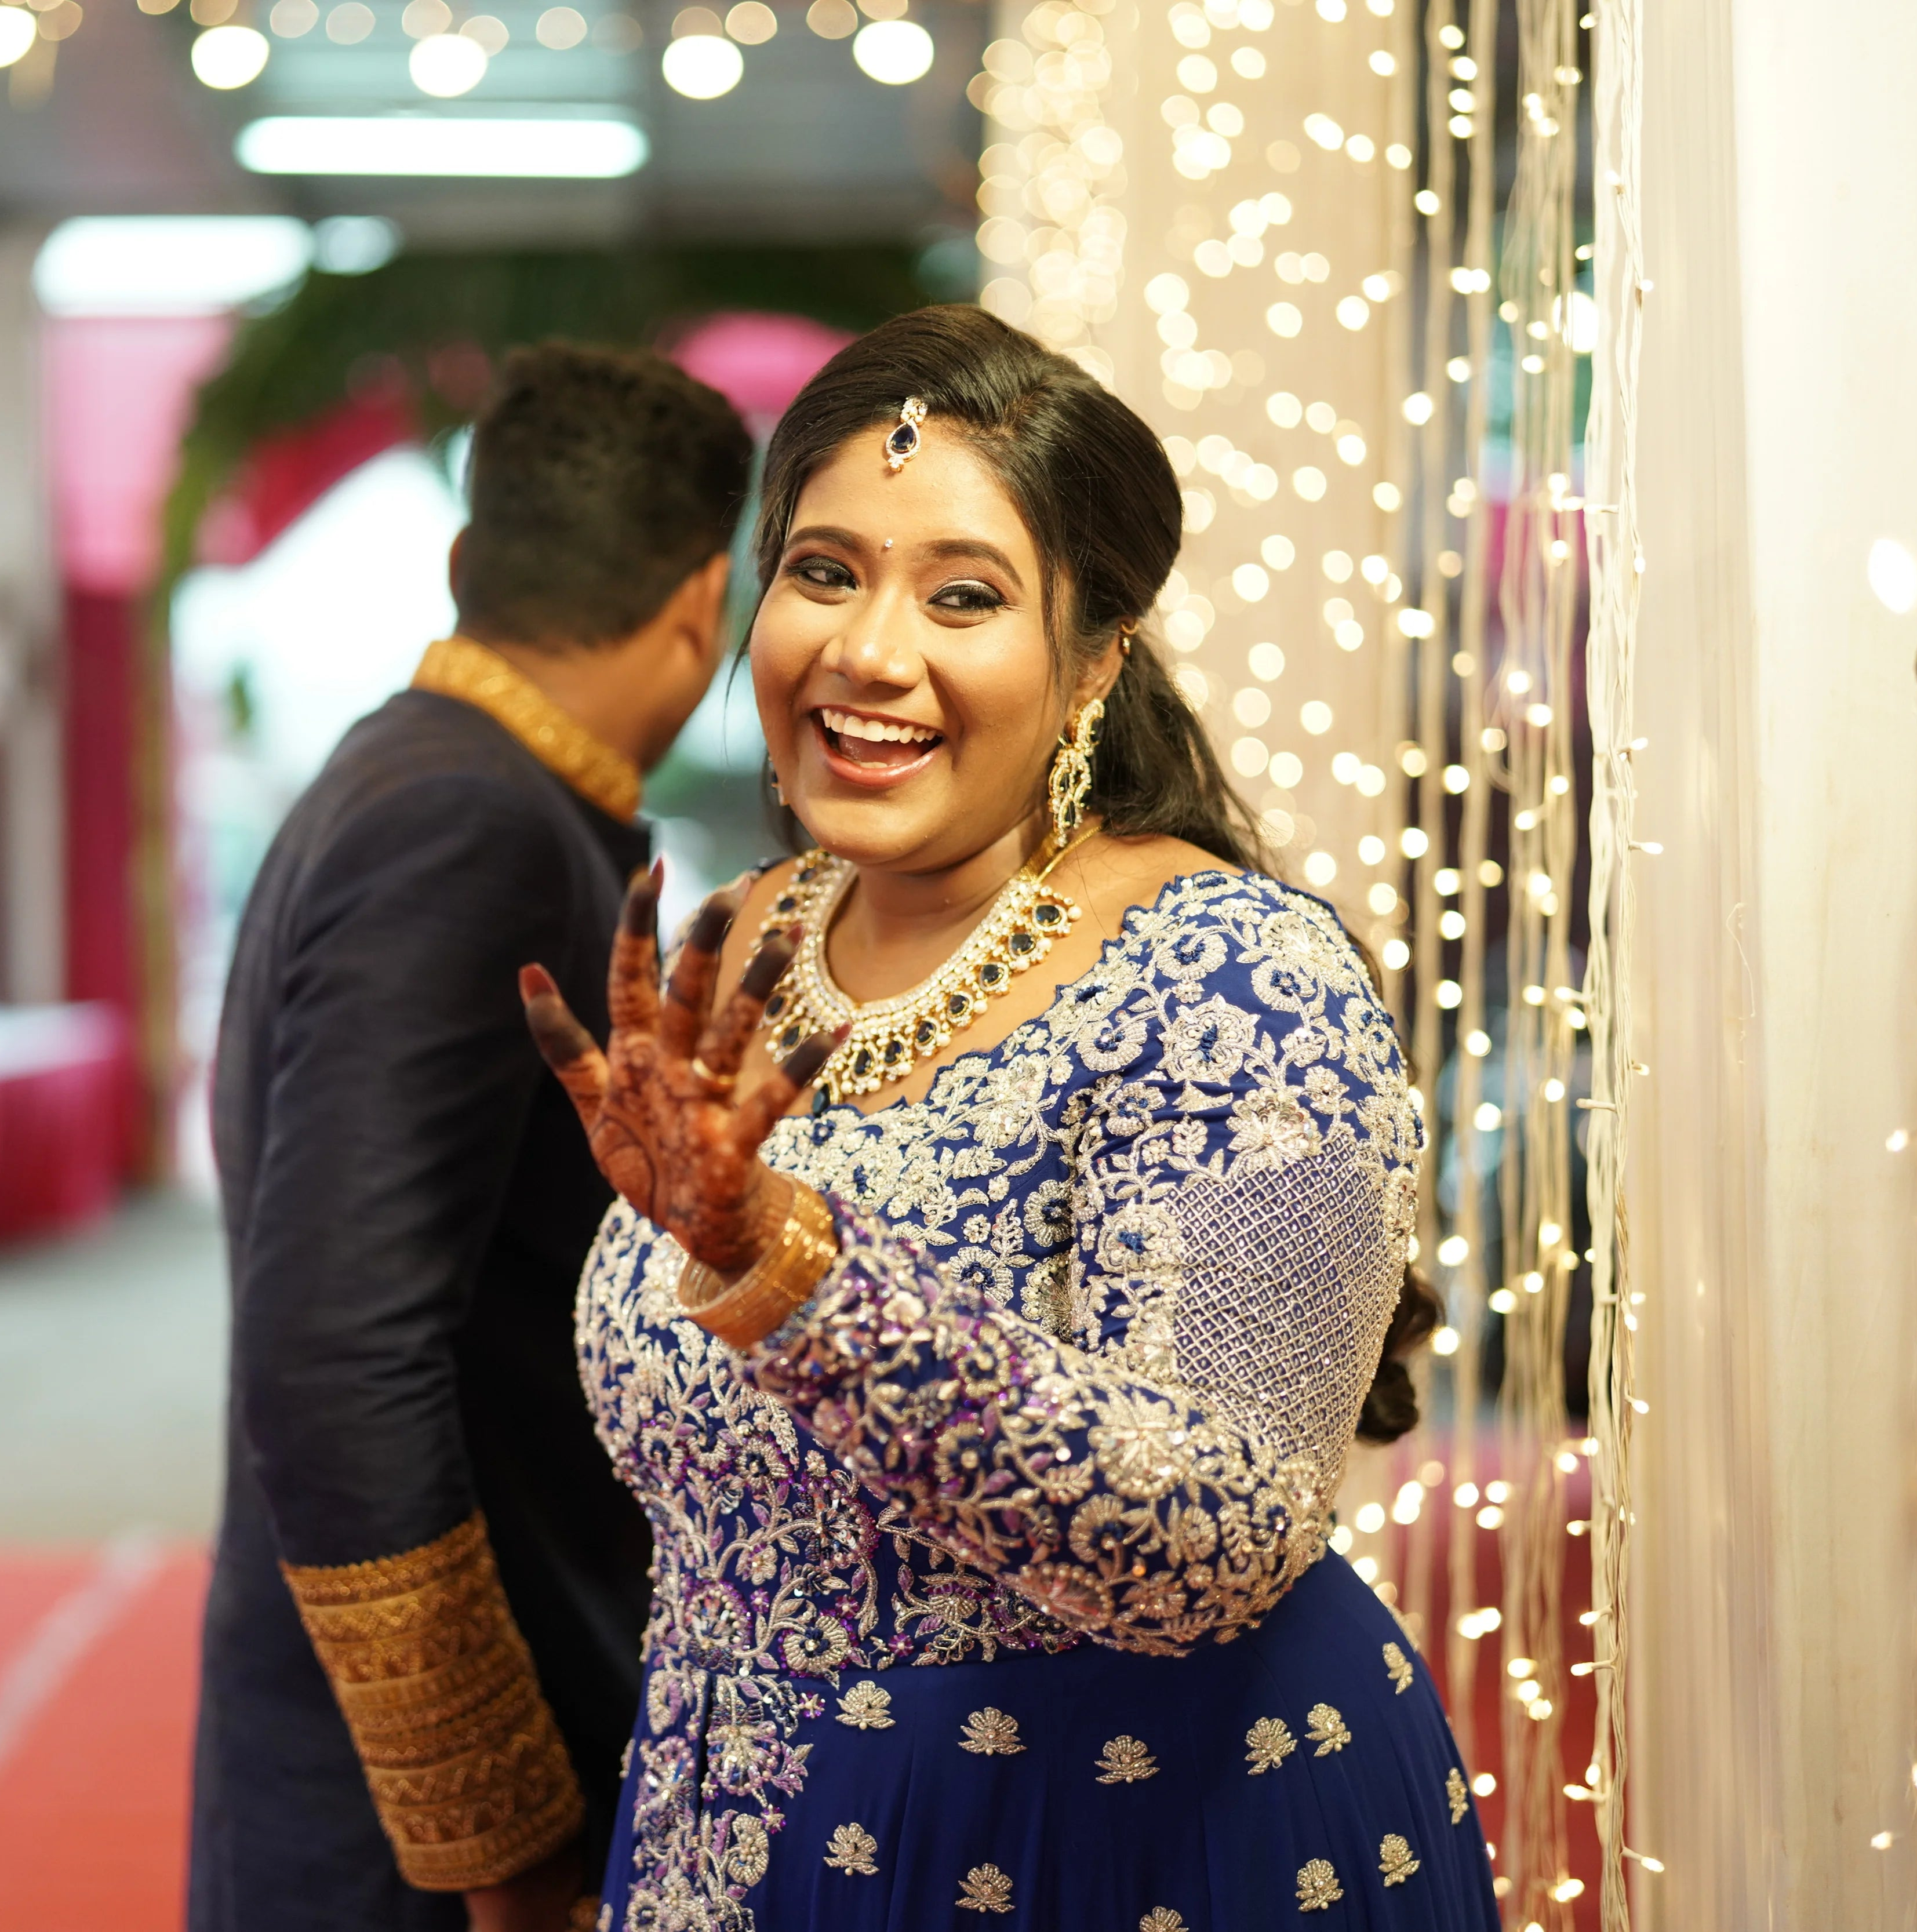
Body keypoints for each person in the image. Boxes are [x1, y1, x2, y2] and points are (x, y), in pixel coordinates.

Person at [519, 307, 1493, 1929]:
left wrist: (793, 1269)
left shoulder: (1239, 979)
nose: (867, 652)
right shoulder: (751, 936)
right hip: (722, 1832)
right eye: (823, 571)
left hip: (1103, 1844)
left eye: (961, 596)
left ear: (1096, 655)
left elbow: (1219, 1534)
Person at [192, 344, 756, 1932]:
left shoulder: (423, 772)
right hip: (416, 1822)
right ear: (705, 606)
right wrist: (498, 1830)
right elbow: (338, 1349)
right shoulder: (475, 820)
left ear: (461, 561)